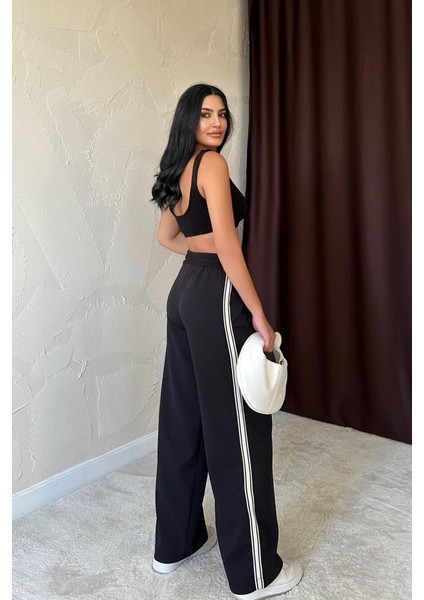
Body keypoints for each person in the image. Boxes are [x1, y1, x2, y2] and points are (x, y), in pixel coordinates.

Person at [150, 83, 302, 599]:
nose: (217, 122)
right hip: (215, 294)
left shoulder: (177, 166)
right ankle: (256, 573)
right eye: (205, 114)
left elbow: (167, 237)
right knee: (238, 427)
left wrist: (203, 251)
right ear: (189, 120)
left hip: (183, 295)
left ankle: (176, 544)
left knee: (184, 420)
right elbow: (230, 248)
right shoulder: (211, 164)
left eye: (222, 113)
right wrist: (259, 315)